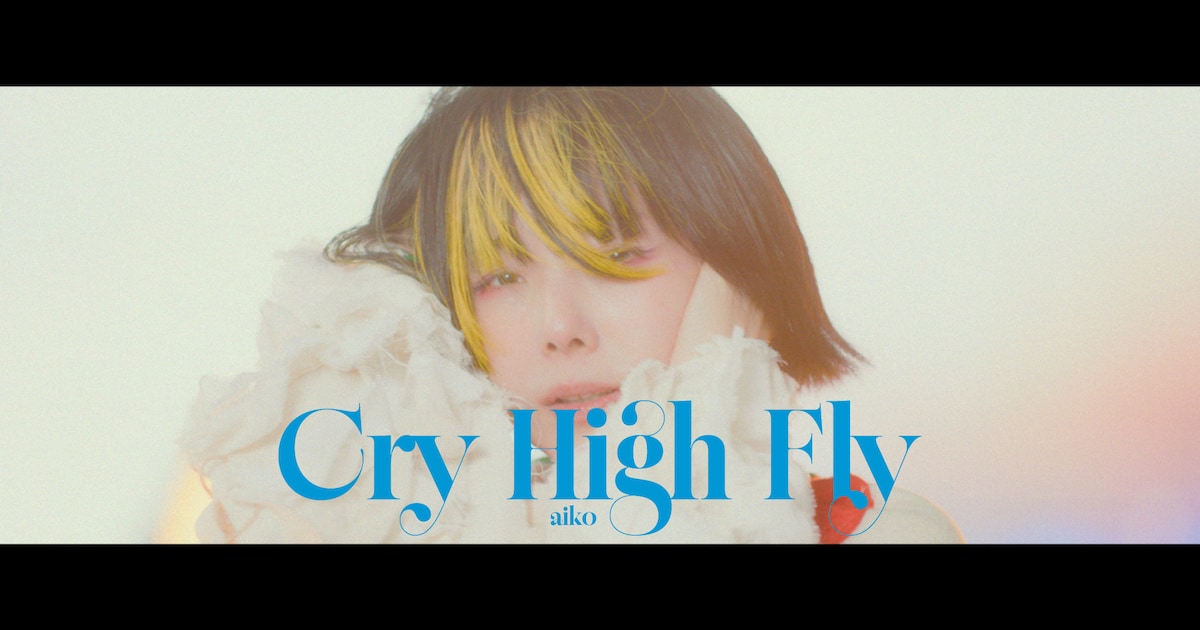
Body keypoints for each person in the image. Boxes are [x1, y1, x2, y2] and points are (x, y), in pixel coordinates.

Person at [162, 87, 962, 543]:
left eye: (616, 256)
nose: (560, 327)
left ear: (737, 270)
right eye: (497, 276)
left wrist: (705, 418)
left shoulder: (882, 532)